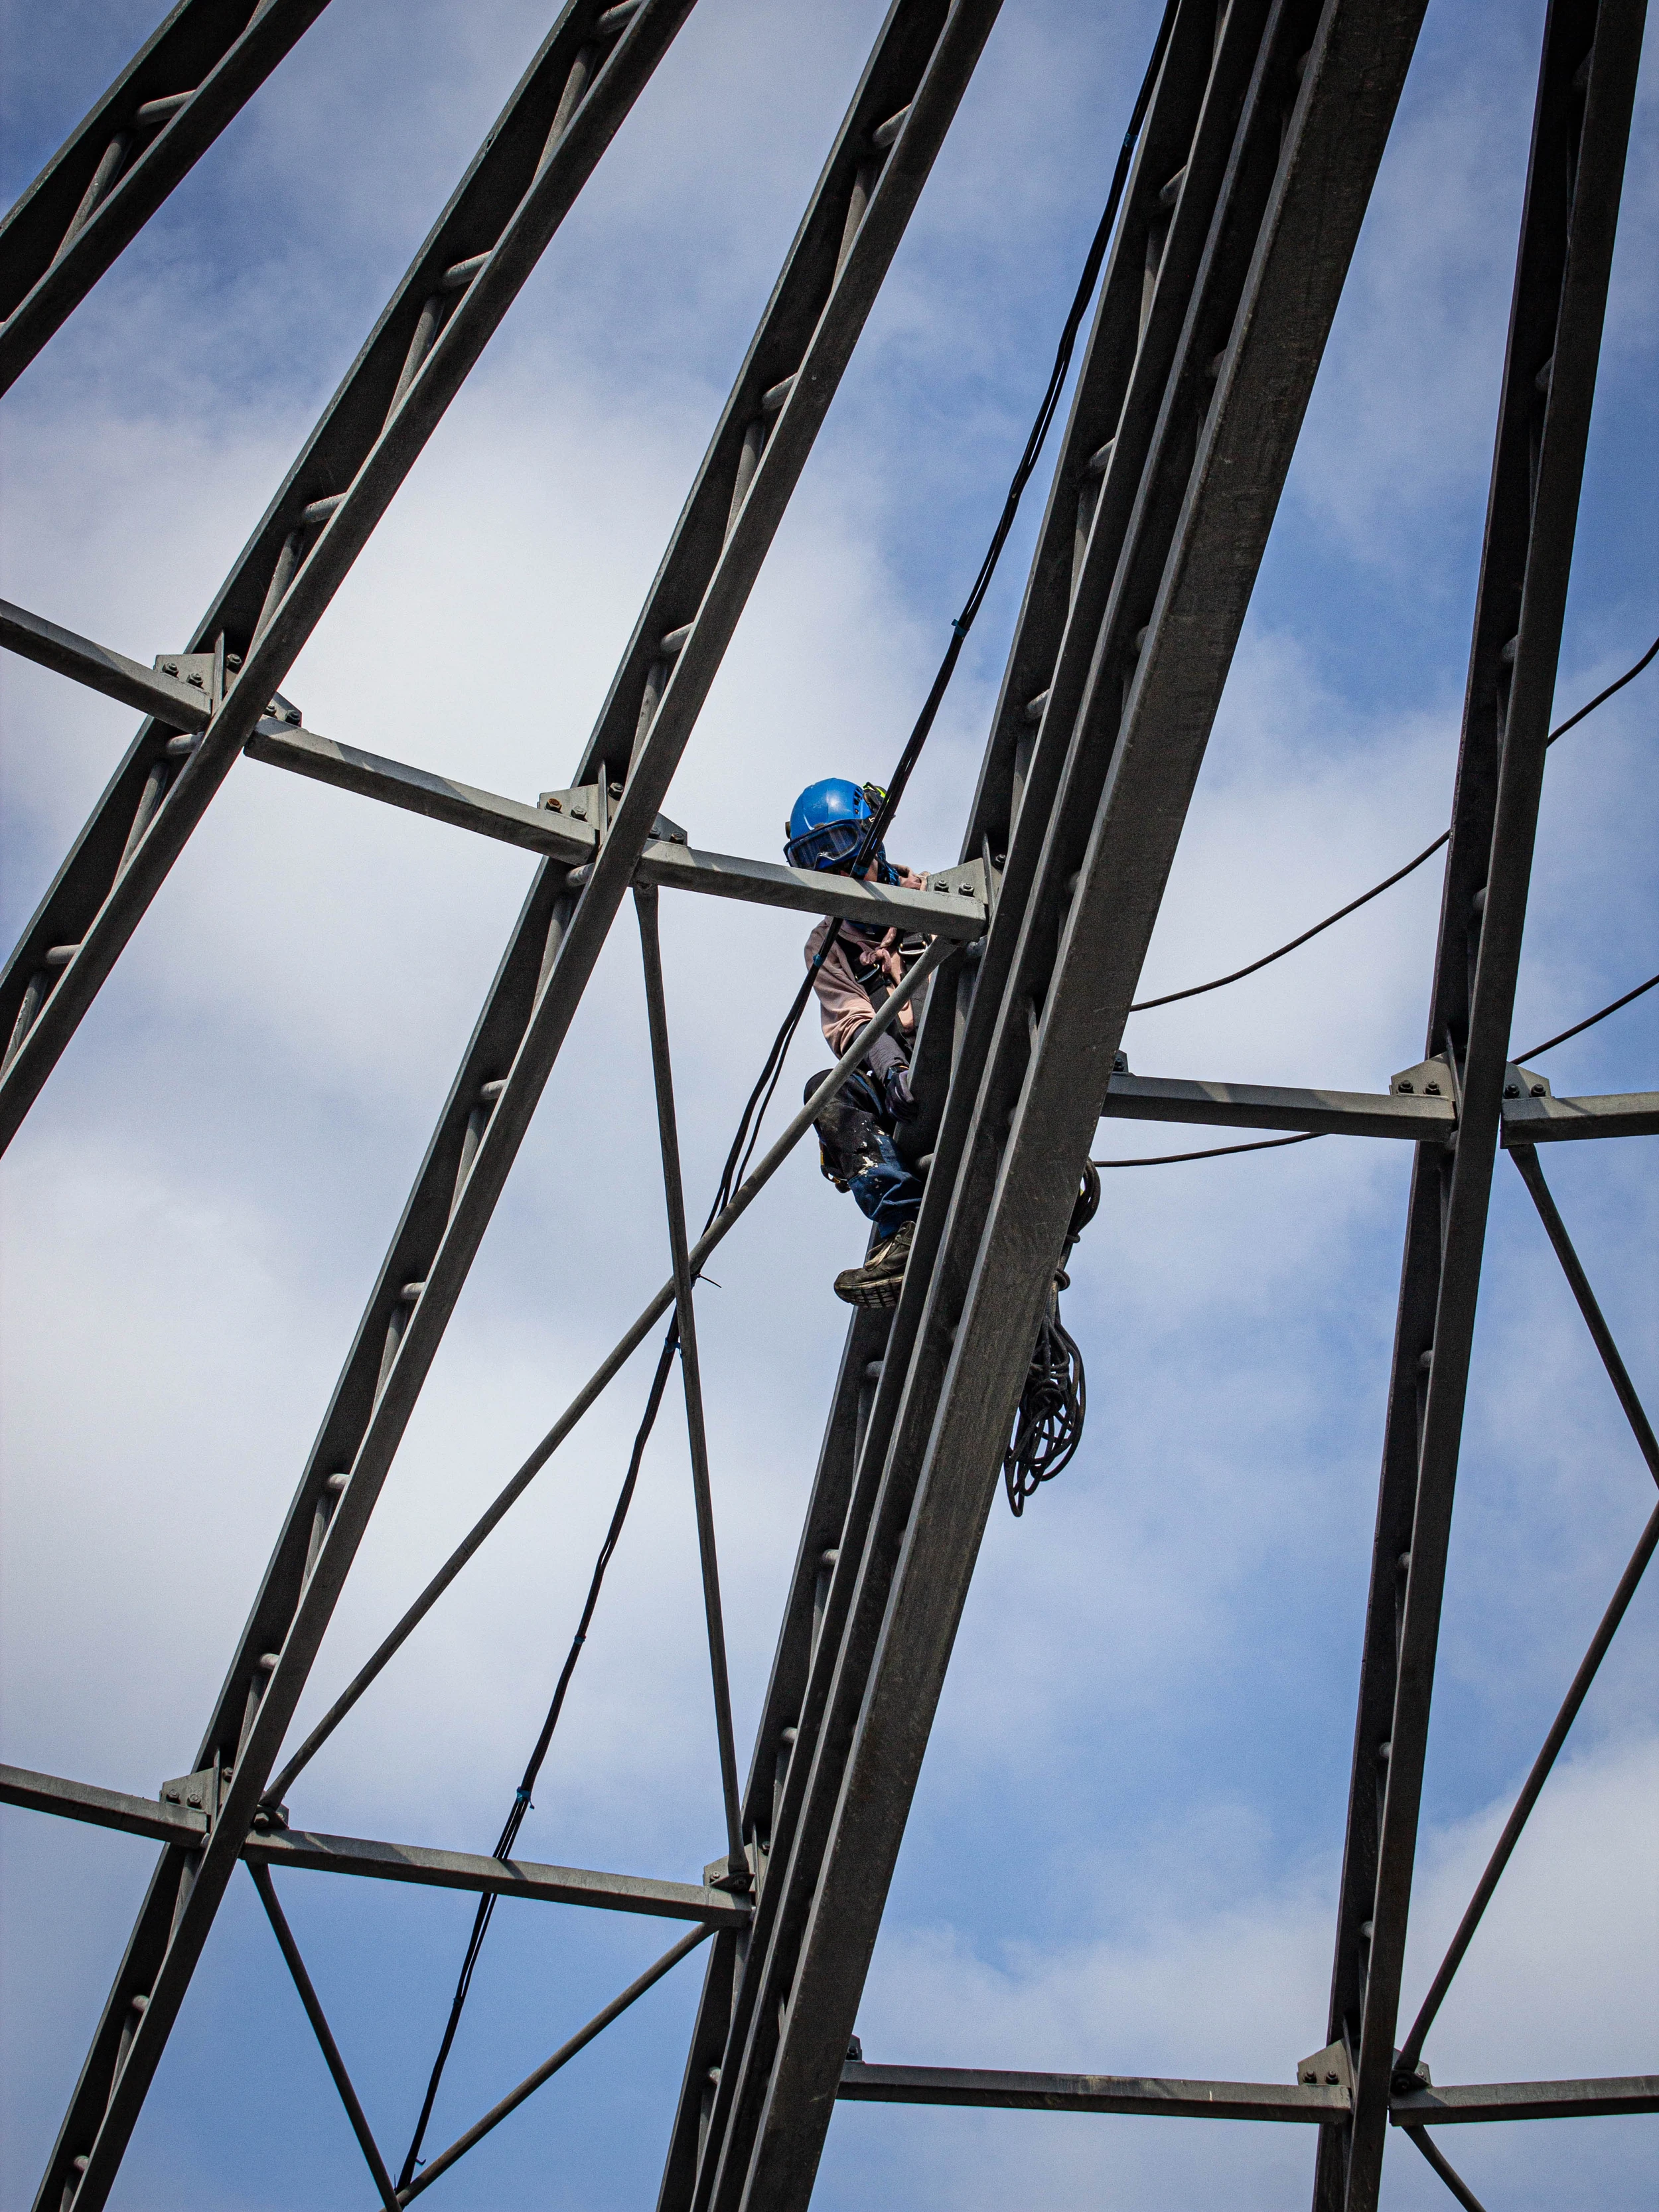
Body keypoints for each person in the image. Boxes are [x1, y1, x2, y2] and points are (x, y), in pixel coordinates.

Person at [784, 777, 932, 1309]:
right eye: (831, 880)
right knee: (825, 1091)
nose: (849, 886)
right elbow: (850, 1022)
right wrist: (890, 1068)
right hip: (901, 1092)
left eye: (855, 867)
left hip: (962, 1050)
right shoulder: (828, 945)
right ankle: (904, 1227)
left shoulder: (939, 901)